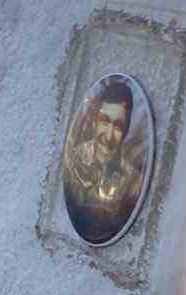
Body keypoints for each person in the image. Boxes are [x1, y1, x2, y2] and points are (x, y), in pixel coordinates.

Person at [63, 78, 147, 244]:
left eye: (118, 126)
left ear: (125, 131)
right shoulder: (74, 161)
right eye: (104, 121)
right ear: (94, 122)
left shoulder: (132, 181)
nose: (109, 136)